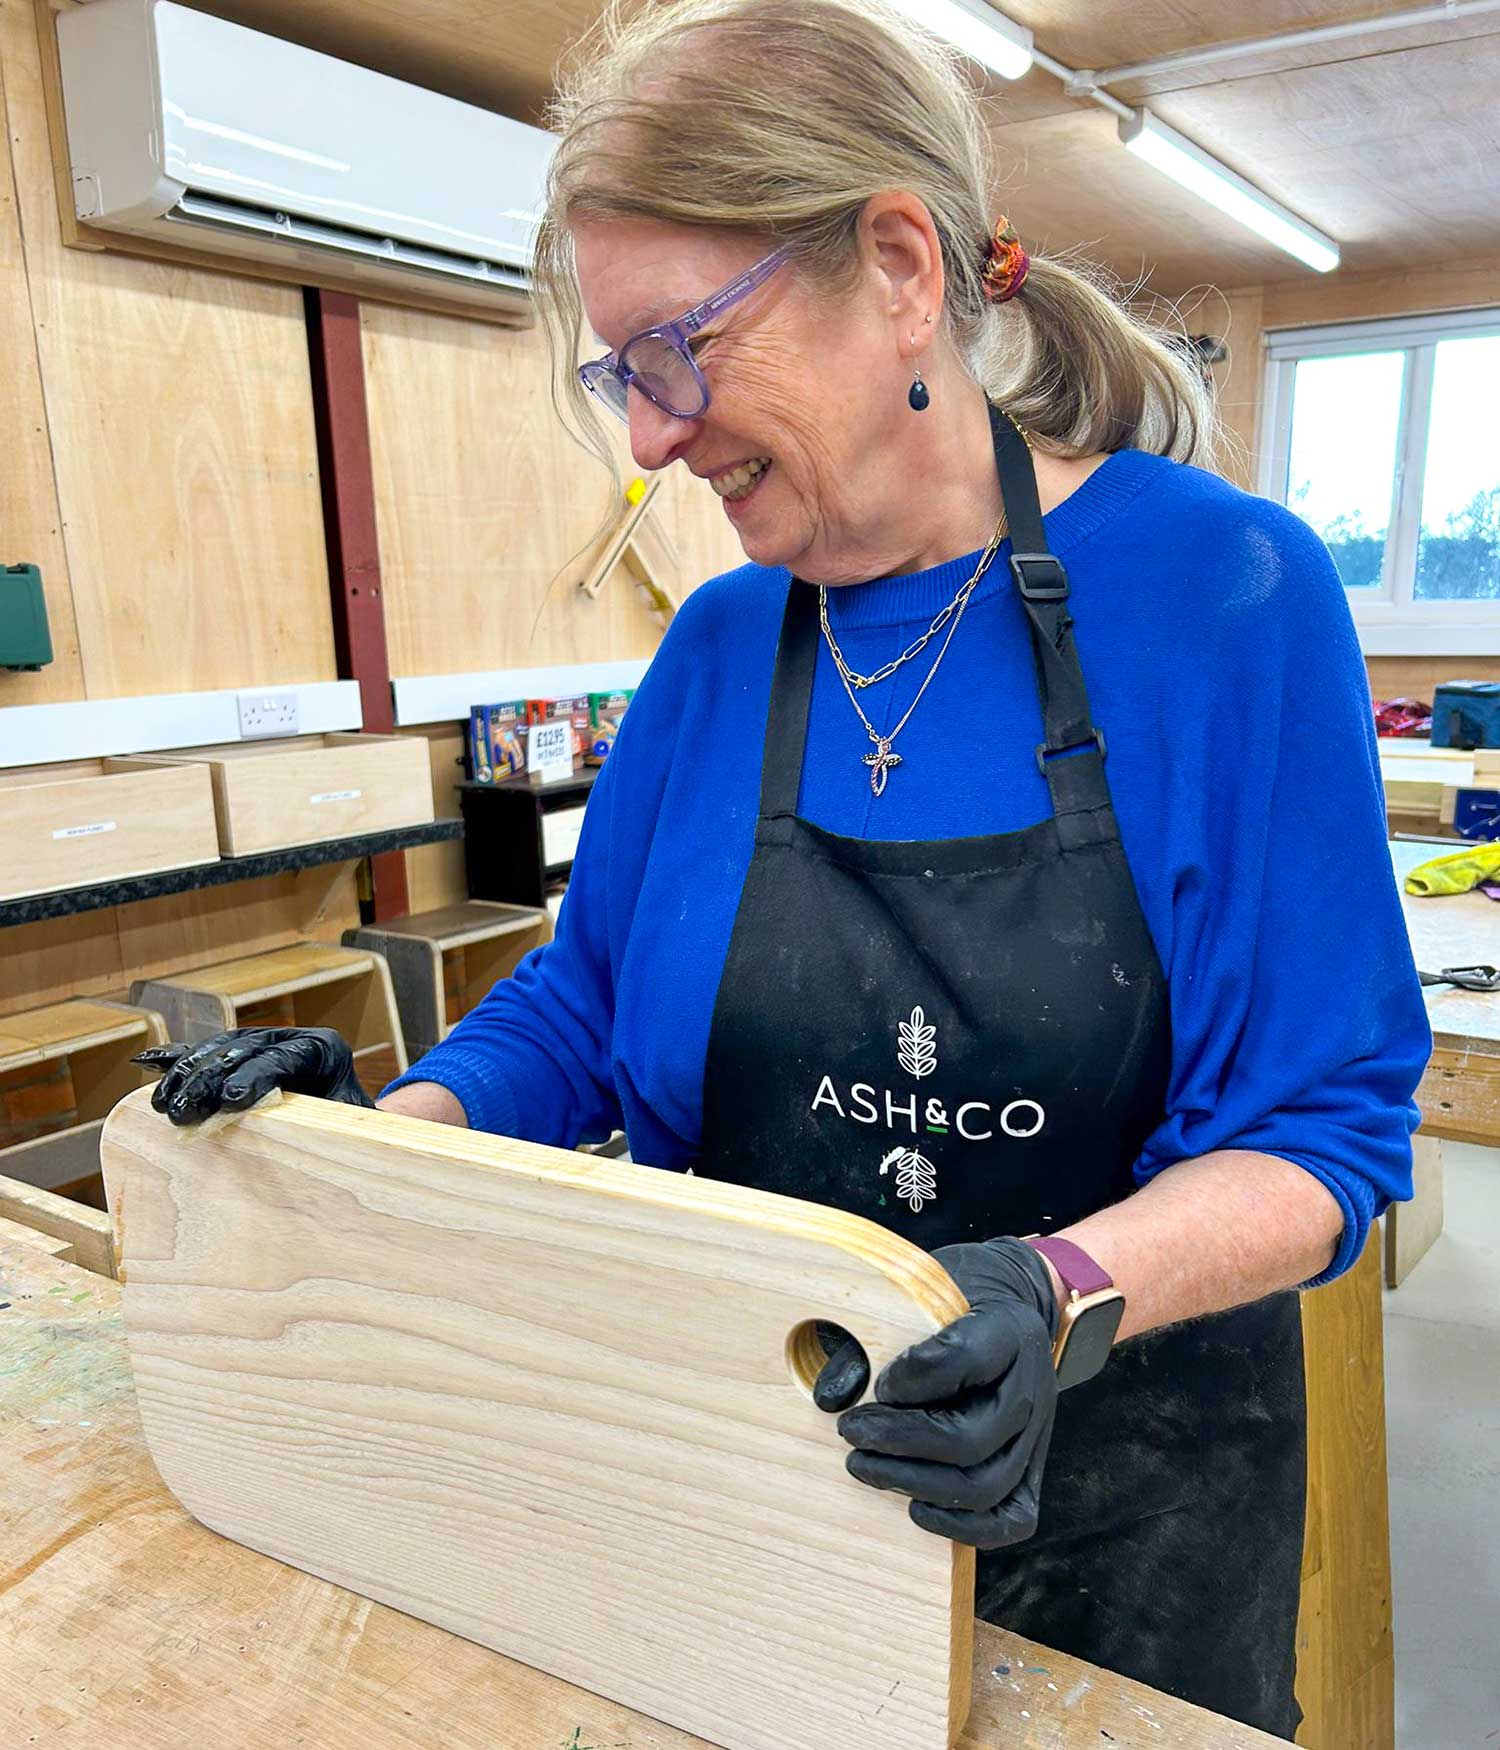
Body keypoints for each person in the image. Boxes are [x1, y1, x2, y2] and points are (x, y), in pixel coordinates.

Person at [138, 0, 1431, 1734]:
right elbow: (586, 1007)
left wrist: (1049, 1290)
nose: (652, 437)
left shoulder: (1228, 598)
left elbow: (1321, 1124)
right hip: (742, 1501)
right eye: (624, 375)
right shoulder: (720, 647)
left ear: (902, 266)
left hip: (1120, 1533)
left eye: (678, 348)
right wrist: (377, 1148)